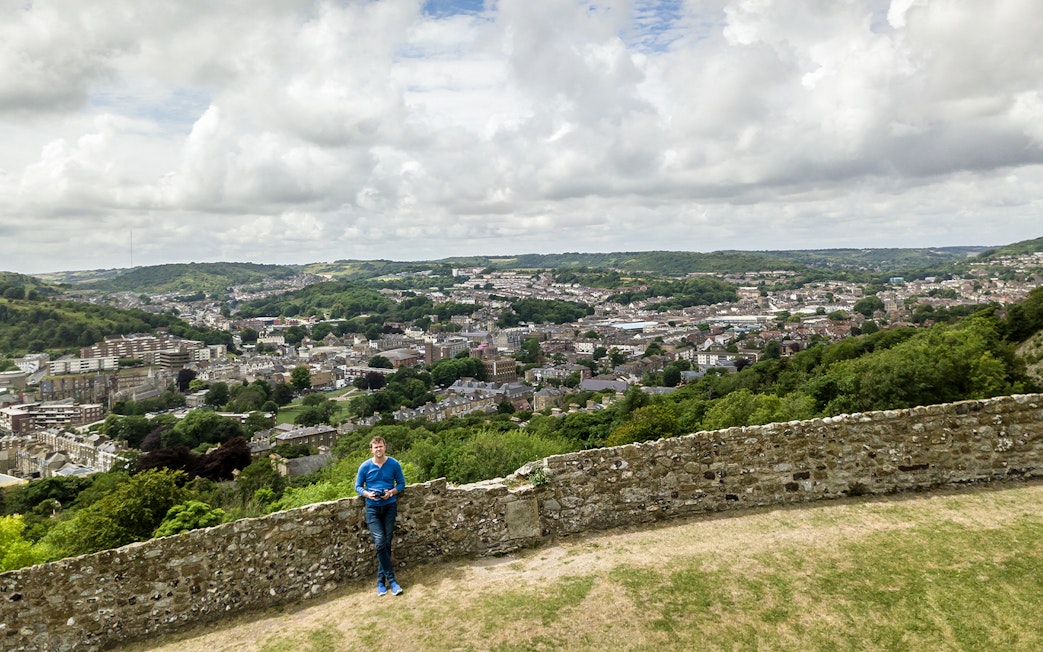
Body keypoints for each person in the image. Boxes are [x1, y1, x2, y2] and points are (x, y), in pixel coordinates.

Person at [355, 436, 406, 596]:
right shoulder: (365, 466)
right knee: (380, 543)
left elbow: (401, 484)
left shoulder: (394, 464)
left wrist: (390, 492)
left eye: (380, 446)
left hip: (389, 506)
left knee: (386, 544)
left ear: (385, 447)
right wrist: (367, 494)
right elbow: (357, 486)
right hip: (372, 509)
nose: (378, 449)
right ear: (371, 450)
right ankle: (391, 581)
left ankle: (380, 582)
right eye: (375, 447)